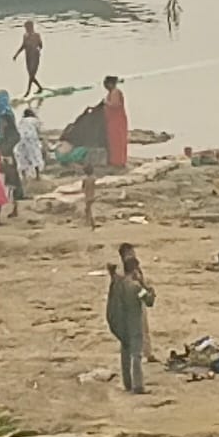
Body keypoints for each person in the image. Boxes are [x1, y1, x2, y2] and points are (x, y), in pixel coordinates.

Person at [106, 256, 155, 394]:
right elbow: (149, 301)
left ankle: (127, 383)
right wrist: (147, 286)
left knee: (125, 353)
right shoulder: (136, 287)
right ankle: (138, 385)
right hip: (134, 323)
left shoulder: (120, 284)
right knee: (136, 355)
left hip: (122, 322)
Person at [119, 242, 159, 363]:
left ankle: (147, 353)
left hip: (137, 302)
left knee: (143, 328)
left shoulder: (134, 269)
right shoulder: (125, 272)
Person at [13, 22, 45, 97]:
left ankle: (28, 92)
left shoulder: (37, 35)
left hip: (35, 57)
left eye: (27, 27)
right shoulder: (25, 36)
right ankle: (40, 88)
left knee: (31, 75)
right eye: (25, 28)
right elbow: (23, 46)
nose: (26, 29)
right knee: (31, 75)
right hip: (28, 57)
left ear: (32, 27)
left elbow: (41, 45)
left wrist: (38, 49)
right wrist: (16, 55)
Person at [102, 76, 128, 168]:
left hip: (117, 120)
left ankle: (118, 161)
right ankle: (116, 160)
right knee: (113, 140)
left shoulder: (115, 92)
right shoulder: (111, 92)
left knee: (117, 140)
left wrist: (106, 103)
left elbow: (115, 104)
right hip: (112, 120)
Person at [15, 108, 45, 181]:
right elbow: (39, 130)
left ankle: (24, 176)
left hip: (21, 141)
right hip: (31, 141)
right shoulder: (34, 120)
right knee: (35, 157)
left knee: (23, 158)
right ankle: (37, 176)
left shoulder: (21, 121)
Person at [81, 162, 97, 228]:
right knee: (88, 209)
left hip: (87, 197)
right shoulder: (94, 178)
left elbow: (83, 187)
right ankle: (89, 221)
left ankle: (90, 222)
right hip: (93, 196)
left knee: (88, 210)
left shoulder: (85, 179)